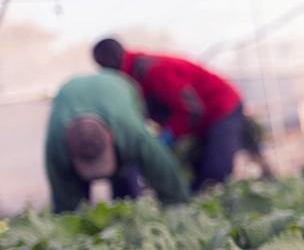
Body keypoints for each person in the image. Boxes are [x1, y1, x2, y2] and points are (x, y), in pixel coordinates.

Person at [91, 38, 245, 192]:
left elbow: (191, 109)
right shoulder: (131, 77)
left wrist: (170, 135)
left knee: (216, 171)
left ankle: (224, 206)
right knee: (196, 172)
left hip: (222, 107)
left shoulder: (153, 70)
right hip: (199, 118)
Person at [45, 73, 190, 213]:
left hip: (119, 84)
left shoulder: (132, 132)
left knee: (125, 186)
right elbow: (64, 207)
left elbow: (169, 182)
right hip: (69, 92)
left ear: (111, 136)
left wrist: (177, 210)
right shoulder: (55, 147)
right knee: (76, 198)